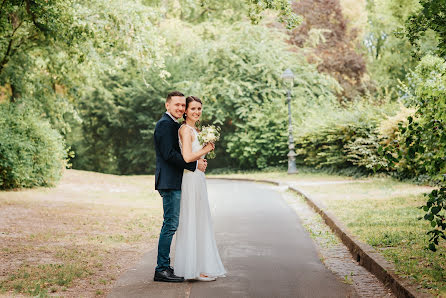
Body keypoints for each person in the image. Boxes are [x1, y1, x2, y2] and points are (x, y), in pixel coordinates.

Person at [153, 91, 207, 283]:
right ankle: (162, 269)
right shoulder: (164, 125)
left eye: (182, 105)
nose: (180, 108)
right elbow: (168, 155)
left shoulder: (173, 125)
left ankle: (166, 266)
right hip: (169, 181)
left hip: (175, 180)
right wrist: (194, 164)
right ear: (167, 105)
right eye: (176, 105)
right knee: (170, 225)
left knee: (172, 224)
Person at [174, 96, 226, 281]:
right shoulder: (185, 130)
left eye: (199, 109)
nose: (197, 112)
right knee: (192, 219)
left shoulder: (196, 130)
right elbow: (187, 157)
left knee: (200, 220)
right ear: (185, 111)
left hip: (198, 177)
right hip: (190, 180)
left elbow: (194, 158)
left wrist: (202, 159)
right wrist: (206, 149)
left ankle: (200, 265)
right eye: (193, 109)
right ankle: (192, 269)